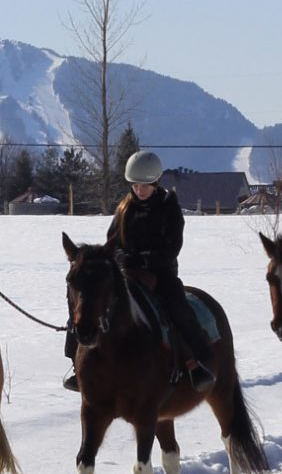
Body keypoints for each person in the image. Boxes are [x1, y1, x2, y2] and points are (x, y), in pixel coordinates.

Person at [63, 149, 214, 390]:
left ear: (155, 182)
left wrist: (145, 262)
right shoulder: (124, 207)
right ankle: (76, 362)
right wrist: (124, 261)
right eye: (134, 185)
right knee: (86, 303)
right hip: (126, 273)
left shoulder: (169, 207)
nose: (139, 190)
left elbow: (172, 247)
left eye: (144, 185)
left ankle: (196, 362)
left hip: (162, 273)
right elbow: (112, 241)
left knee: (177, 308)